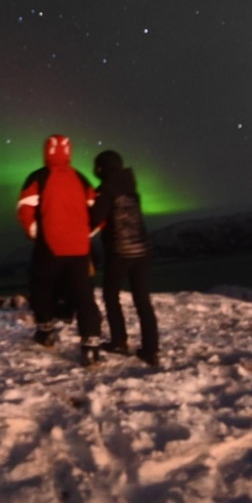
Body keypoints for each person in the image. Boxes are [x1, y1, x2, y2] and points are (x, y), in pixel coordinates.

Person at [16, 134, 104, 366]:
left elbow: (25, 210)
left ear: (46, 151)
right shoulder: (80, 178)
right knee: (84, 295)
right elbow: (98, 211)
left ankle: (46, 331)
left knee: (42, 287)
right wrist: (86, 234)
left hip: (49, 246)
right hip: (79, 248)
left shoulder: (38, 177)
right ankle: (91, 344)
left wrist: (36, 234)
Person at [90, 150, 159, 366]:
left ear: (102, 168)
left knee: (111, 295)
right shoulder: (130, 186)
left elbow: (94, 218)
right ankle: (151, 349)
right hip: (143, 250)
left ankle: (119, 340)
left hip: (120, 250)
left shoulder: (106, 190)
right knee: (142, 299)